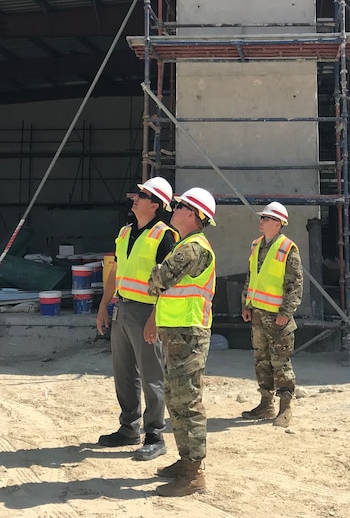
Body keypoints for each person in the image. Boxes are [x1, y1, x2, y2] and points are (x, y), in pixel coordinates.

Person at [95, 176, 176, 461]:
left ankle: (154, 433)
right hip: (123, 308)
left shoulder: (165, 236)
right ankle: (128, 427)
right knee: (124, 372)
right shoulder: (125, 232)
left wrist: (155, 318)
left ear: (155, 205)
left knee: (152, 374)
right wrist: (104, 305)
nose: (135, 199)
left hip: (147, 311)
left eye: (142, 196)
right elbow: (115, 273)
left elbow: (169, 283)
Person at [145, 187, 217, 497]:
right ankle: (186, 460)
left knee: (186, 401)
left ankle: (194, 472)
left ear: (193, 214)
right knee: (176, 399)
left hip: (188, 333)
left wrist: (156, 275)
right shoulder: (184, 244)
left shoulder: (192, 248)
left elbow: (158, 281)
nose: (173, 210)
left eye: (179, 207)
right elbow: (160, 283)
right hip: (177, 331)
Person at [240, 201, 303, 428]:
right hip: (258, 314)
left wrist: (286, 312)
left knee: (281, 362)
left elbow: (295, 284)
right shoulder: (256, 245)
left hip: (278, 317)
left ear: (278, 223)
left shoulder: (288, 248)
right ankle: (266, 404)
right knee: (262, 361)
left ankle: (285, 408)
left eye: (266, 218)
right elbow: (251, 278)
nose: (262, 221)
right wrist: (246, 305)